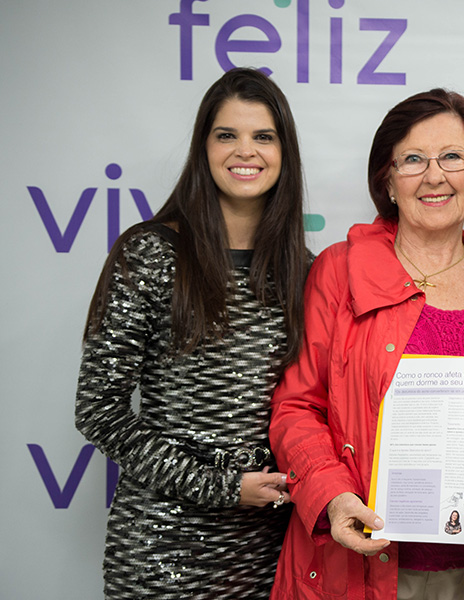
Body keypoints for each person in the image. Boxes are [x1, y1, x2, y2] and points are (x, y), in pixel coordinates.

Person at [268, 88, 464, 600]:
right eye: (412, 159)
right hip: (361, 563)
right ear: (387, 180)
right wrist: (332, 496)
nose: (434, 176)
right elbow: (296, 407)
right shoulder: (338, 272)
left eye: (453, 157)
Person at [75, 68, 308, 598]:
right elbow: (98, 410)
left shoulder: (303, 271)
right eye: (227, 134)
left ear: (284, 152)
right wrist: (223, 487)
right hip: (162, 553)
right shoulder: (151, 253)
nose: (244, 151)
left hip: (269, 554)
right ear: (203, 147)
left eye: (263, 136)